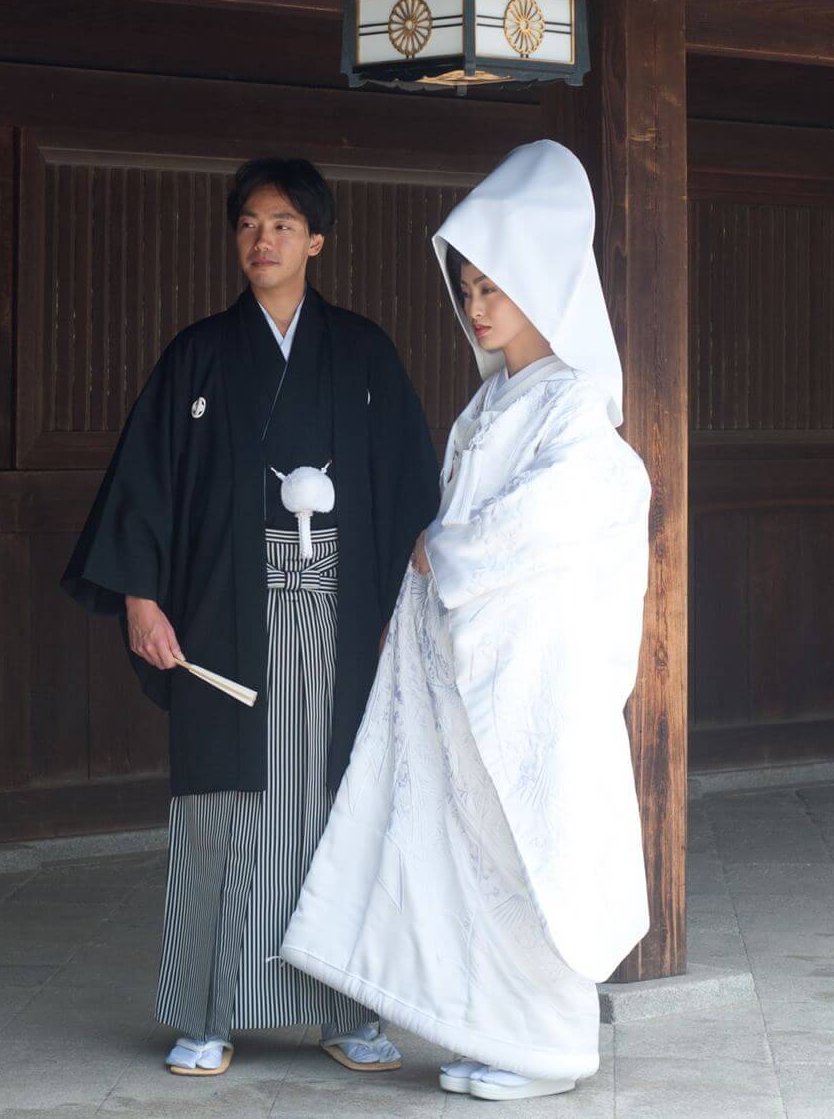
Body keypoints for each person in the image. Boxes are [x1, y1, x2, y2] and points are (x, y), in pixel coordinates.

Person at [280, 139, 652, 1103]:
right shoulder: (491, 403)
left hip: (530, 677)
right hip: (471, 666)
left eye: (495, 286)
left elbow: (558, 516)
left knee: (537, 849)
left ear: (541, 286)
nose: (477, 306)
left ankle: (556, 1044)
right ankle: (500, 1029)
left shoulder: (574, 405)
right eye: (470, 287)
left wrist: (443, 553)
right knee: (479, 853)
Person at [61, 157, 440, 1078]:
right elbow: (145, 485)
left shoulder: (361, 352)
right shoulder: (198, 353)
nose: (260, 240)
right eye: (246, 224)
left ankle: (350, 1010)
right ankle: (207, 1010)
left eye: (279, 224)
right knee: (222, 812)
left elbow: (410, 490)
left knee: (339, 808)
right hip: (222, 619)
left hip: (342, 619)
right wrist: (141, 598)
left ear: (316, 239)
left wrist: (401, 609)